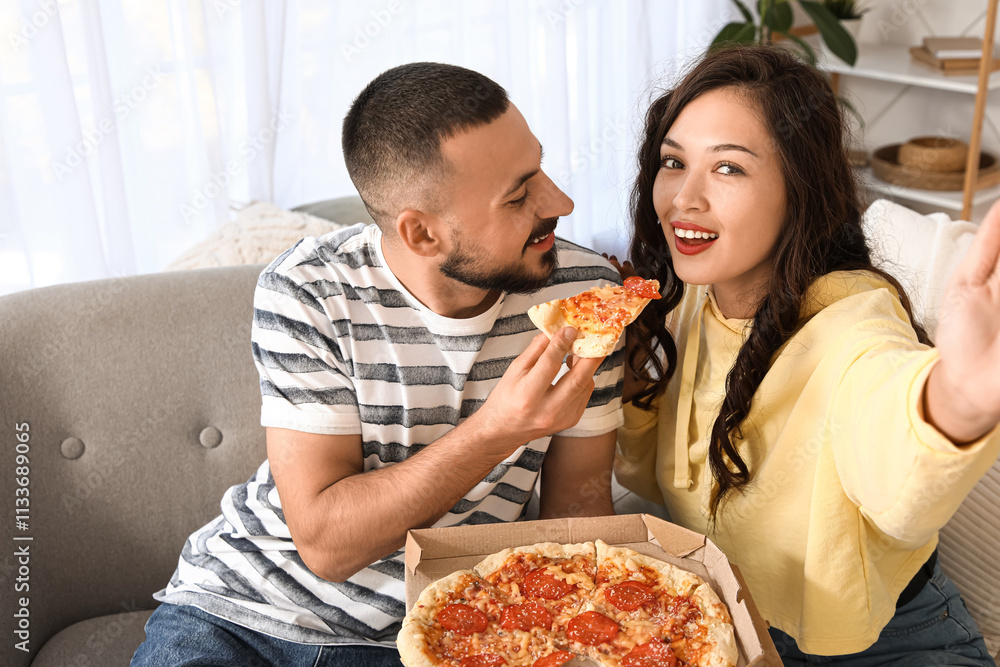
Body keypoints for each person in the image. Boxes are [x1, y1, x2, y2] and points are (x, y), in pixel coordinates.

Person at [131, 62, 624, 666]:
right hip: (245, 618)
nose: (562, 202)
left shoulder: (585, 295)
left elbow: (579, 514)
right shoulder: (309, 289)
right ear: (421, 235)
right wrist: (499, 430)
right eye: (519, 196)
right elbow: (327, 545)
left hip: (446, 626)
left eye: (539, 168)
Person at [614, 45, 1000, 666]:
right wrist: (629, 369)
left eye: (729, 169)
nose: (684, 198)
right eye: (672, 162)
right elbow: (647, 477)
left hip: (888, 643)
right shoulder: (686, 299)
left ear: (799, 188)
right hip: (723, 615)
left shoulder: (853, 324)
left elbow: (898, 471)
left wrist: (961, 395)